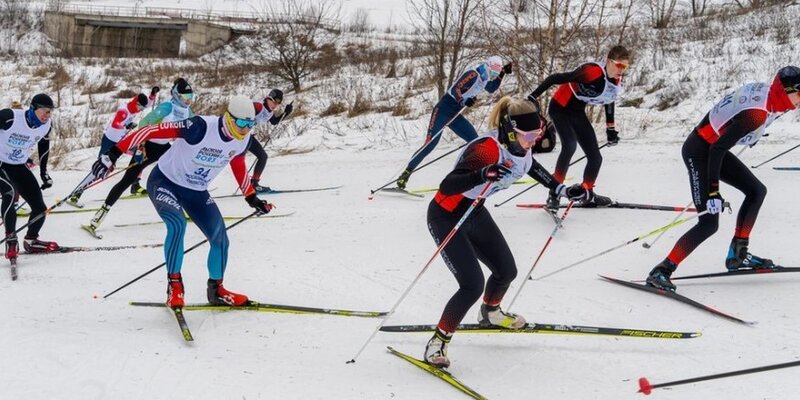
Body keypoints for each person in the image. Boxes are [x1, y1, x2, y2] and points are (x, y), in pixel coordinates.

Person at [423, 97, 581, 368]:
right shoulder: (487, 149)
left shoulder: (522, 148)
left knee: (506, 270)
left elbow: (534, 169)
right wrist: (483, 173)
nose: (534, 140)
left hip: (473, 210)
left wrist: (563, 190)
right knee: (471, 284)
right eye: (529, 135)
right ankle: (437, 342)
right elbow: (447, 185)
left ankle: (491, 312)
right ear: (511, 131)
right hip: (446, 215)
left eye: (538, 133)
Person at [90, 95, 273, 307]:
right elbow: (147, 131)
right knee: (177, 224)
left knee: (220, 238)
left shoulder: (244, 139)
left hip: (196, 190)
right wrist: (113, 153)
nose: (246, 129)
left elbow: (237, 162)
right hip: (165, 182)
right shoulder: (200, 127)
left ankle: (216, 290)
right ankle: (175, 286)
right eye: (242, 123)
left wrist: (251, 196)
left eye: (251, 124)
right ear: (229, 118)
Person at [645, 66, 800, 291]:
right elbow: (717, 148)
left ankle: (738, 254)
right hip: (700, 151)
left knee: (757, 191)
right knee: (709, 222)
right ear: (785, 90)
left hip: (713, 146)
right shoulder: (756, 114)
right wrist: (713, 192)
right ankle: (661, 271)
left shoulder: (770, 96)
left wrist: (745, 131)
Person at [83, 78, 194, 237]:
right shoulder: (167, 107)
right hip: (148, 146)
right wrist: (141, 144)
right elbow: (144, 123)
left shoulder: (188, 111)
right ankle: (100, 215)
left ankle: (186, 210)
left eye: (191, 97)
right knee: (127, 179)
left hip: (165, 148)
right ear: (177, 96)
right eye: (185, 97)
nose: (188, 101)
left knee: (180, 174)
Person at [527, 45, 631, 209]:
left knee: (595, 157)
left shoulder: (615, 81)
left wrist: (610, 129)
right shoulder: (592, 72)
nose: (622, 70)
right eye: (619, 65)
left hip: (576, 111)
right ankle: (554, 194)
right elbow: (556, 77)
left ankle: (587, 192)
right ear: (609, 62)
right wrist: (532, 96)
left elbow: (609, 100)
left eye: (625, 66)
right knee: (569, 146)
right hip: (559, 107)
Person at [396, 56, 512, 190]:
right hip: (443, 111)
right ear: (487, 66)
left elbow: (491, 88)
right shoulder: (473, 74)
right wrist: (464, 101)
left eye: (495, 74)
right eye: (493, 73)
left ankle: (473, 176)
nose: (493, 76)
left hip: (455, 115)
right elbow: (455, 89)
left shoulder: (485, 78)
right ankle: (406, 174)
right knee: (430, 144)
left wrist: (502, 73)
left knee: (474, 141)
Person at [67, 87, 159, 206]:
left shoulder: (137, 106)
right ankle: (76, 193)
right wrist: (126, 127)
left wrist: (153, 94)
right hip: (110, 141)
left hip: (122, 142)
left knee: (140, 152)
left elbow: (149, 103)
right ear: (136, 103)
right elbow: (116, 124)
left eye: (142, 108)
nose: (141, 110)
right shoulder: (124, 111)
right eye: (140, 107)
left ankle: (135, 184)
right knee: (101, 169)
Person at [0, 93, 60, 262]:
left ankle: (31, 240)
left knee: (40, 207)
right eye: (44, 111)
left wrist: (43, 172)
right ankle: (11, 238)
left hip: (18, 165)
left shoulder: (46, 125)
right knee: (10, 193)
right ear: (33, 108)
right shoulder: (9, 117)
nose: (47, 115)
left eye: (50, 112)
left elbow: (44, 147)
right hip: (0, 164)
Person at [248, 89, 293, 192]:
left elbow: (274, 122)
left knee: (263, 156)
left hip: (246, 136)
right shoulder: (258, 106)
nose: (275, 105)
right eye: (274, 101)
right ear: (268, 98)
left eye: (278, 103)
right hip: (238, 135)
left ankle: (254, 184)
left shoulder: (270, 112)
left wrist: (286, 113)